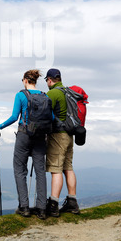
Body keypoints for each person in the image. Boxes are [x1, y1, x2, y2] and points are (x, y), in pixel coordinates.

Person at [0, 69, 50, 220]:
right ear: (35, 80)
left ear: (25, 80)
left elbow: (14, 117)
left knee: (19, 170)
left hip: (24, 134)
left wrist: (0, 126)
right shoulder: (44, 96)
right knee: (40, 171)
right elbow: (51, 117)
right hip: (40, 137)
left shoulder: (20, 95)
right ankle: (42, 209)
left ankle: (24, 207)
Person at [45, 68, 80, 217]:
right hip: (70, 135)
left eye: (47, 80)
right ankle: (72, 202)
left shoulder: (53, 93)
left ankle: (53, 204)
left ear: (50, 80)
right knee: (68, 167)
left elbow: (45, 113)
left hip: (58, 135)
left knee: (56, 169)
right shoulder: (67, 92)